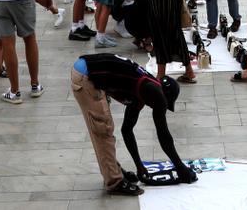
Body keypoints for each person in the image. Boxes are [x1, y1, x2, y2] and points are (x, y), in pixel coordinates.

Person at [70, 53, 192, 197]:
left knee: (104, 128)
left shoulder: (141, 91)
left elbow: (126, 130)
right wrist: (180, 167)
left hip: (89, 71)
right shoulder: (154, 91)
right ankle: (115, 182)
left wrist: (139, 166)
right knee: (103, 130)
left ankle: (113, 170)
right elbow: (163, 135)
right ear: (164, 96)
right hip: (87, 75)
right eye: (165, 105)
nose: (162, 108)